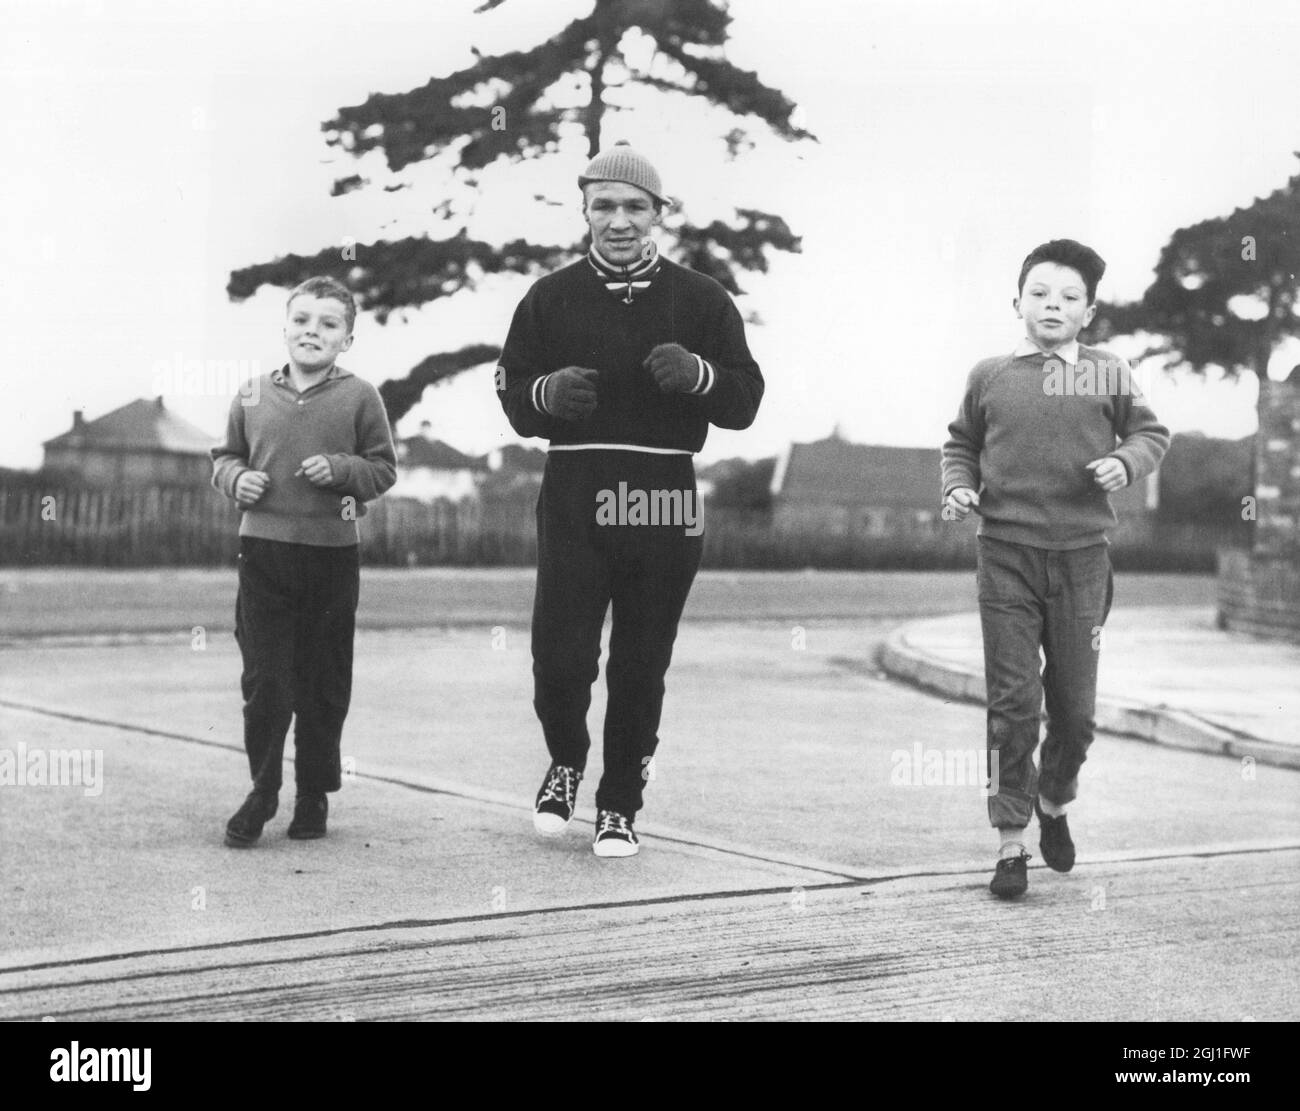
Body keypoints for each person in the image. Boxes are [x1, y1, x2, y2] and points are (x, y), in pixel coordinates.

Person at [496, 143, 763, 857]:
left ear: (659, 214)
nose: (620, 221)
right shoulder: (549, 297)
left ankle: (619, 804)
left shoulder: (700, 298)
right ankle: (565, 759)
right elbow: (513, 395)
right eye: (605, 205)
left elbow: (746, 400)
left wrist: (701, 375)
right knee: (560, 656)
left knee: (641, 660)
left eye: (635, 207)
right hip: (577, 489)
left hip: (663, 492)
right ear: (583, 209)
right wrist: (545, 394)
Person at [941, 239, 1170, 898]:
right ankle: (1011, 840)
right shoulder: (990, 374)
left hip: (1083, 560)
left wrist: (1124, 462)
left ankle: (1055, 799)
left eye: (1069, 297)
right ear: (1017, 302)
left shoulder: (1105, 372)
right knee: (1013, 707)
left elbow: (1151, 434)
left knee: (1075, 713)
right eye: (1040, 293)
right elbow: (961, 443)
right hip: (1005, 557)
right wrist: (958, 487)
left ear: (1088, 312)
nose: (1053, 305)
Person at [212, 276, 396, 847]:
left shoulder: (361, 396)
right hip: (263, 555)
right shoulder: (249, 393)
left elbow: (382, 469)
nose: (312, 331)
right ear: (285, 328)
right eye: (302, 321)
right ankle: (262, 791)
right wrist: (237, 479)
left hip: (332, 558)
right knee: (266, 678)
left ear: (347, 339)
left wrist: (341, 470)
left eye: (328, 324)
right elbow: (224, 458)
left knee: (321, 682)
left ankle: (313, 792)